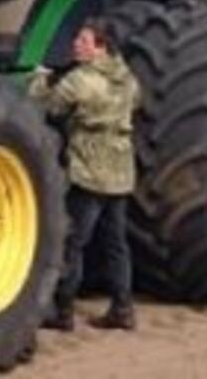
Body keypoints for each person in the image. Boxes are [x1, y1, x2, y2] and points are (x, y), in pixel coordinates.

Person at [28, 19, 138, 332]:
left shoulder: (80, 81)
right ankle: (123, 308)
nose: (76, 43)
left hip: (88, 171)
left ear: (100, 46)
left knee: (73, 242)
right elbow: (135, 103)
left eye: (84, 40)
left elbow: (49, 107)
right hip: (120, 171)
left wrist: (39, 78)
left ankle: (62, 312)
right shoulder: (127, 79)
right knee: (116, 243)